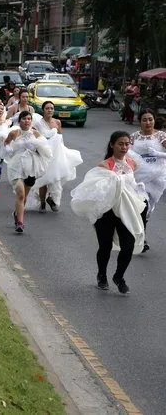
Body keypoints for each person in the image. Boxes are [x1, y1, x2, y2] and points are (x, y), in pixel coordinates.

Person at [71, 131, 148, 293]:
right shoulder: (104, 166)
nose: (124, 147)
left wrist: (139, 191)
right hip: (107, 211)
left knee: (129, 245)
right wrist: (116, 182)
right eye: (120, 144)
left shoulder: (132, 163)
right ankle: (102, 275)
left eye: (127, 144)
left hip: (126, 210)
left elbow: (132, 185)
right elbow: (98, 189)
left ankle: (119, 276)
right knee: (105, 246)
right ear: (112, 145)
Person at [29, 101, 83, 212]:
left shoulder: (57, 122)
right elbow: (35, 140)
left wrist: (62, 151)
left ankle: (51, 199)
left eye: (51, 108)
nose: (50, 110)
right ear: (43, 110)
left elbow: (60, 138)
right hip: (44, 154)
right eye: (47, 108)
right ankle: (43, 203)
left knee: (56, 178)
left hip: (57, 154)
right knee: (44, 178)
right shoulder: (38, 124)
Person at [4, 111, 52, 233]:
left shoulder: (35, 133)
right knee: (20, 193)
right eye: (24, 118)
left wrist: (36, 147)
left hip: (31, 166)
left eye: (29, 119)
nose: (27, 121)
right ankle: (20, 223)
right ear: (19, 121)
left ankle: (17, 213)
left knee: (24, 196)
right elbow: (6, 143)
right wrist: (9, 150)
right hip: (16, 166)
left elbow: (45, 149)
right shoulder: (14, 133)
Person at [128, 109, 166, 253]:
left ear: (154, 120)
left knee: (148, 209)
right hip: (139, 179)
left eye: (150, 119)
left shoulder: (161, 136)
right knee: (142, 207)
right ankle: (141, 239)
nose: (148, 122)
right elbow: (127, 155)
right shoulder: (134, 137)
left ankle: (138, 232)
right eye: (144, 120)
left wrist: (158, 154)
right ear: (140, 122)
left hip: (157, 178)